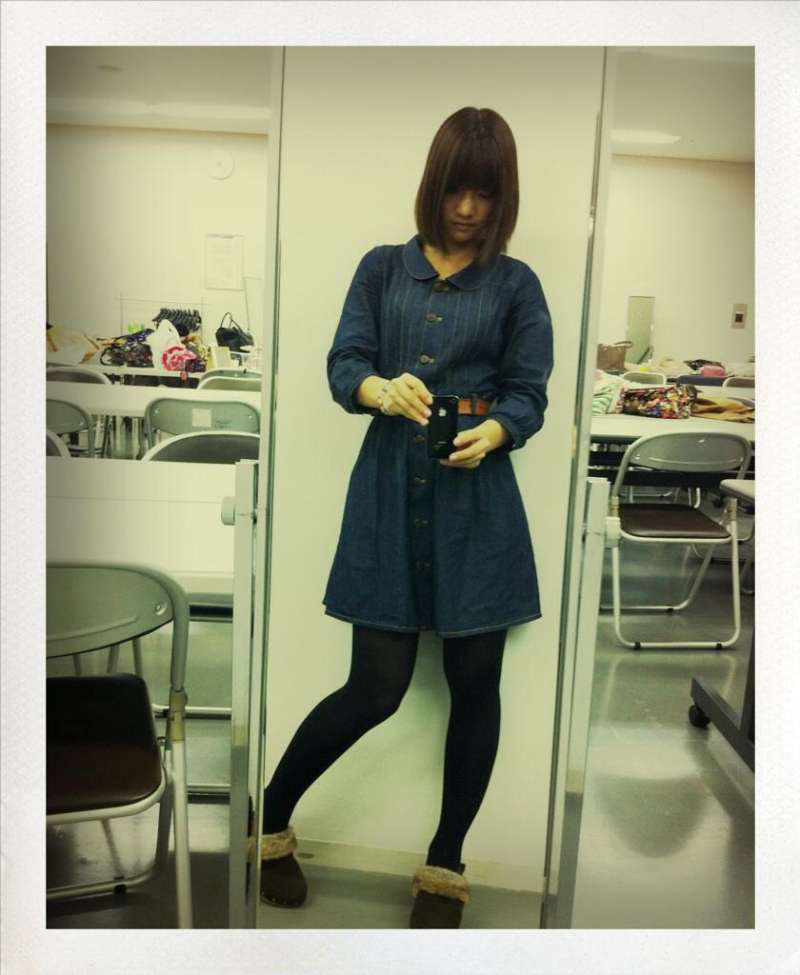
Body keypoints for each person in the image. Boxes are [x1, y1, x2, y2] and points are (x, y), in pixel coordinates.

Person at [259, 106, 554, 929]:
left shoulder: (517, 284)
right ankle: (269, 819)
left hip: (478, 507)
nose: (467, 208)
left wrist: (497, 431)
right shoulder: (382, 269)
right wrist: (379, 389)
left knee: (476, 685)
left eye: (484, 194)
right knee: (376, 687)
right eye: (456, 189)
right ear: (434, 185)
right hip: (389, 493)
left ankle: (445, 863)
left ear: (503, 197)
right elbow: (343, 362)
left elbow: (530, 393)